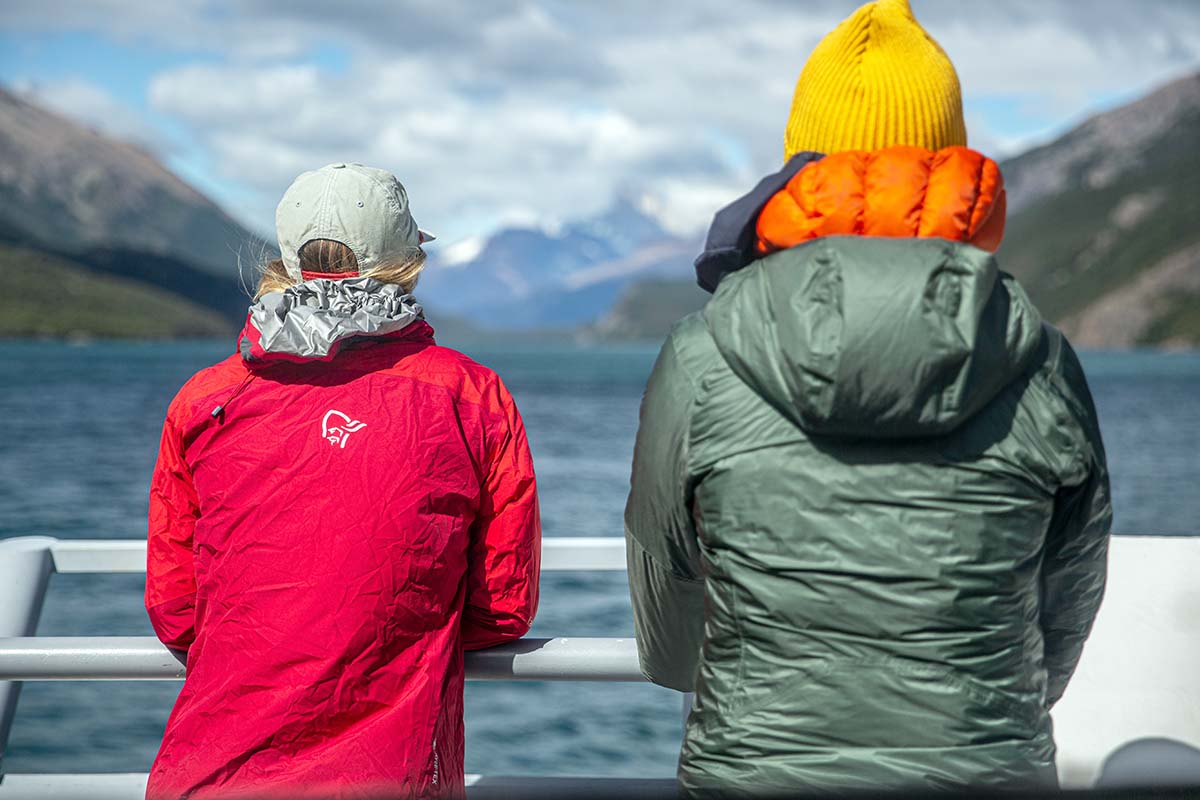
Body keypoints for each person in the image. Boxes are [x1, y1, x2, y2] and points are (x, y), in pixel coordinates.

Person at [624, 0, 1111, 794]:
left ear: (800, 167)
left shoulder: (702, 353)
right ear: (948, 164)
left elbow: (666, 596)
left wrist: (722, 689)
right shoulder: (1040, 357)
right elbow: (1070, 586)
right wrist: (996, 709)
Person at [144, 163, 541, 799]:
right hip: (392, 777)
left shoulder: (205, 400)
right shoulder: (471, 396)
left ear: (285, 260)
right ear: (408, 261)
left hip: (210, 776)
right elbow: (502, 607)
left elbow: (175, 610)